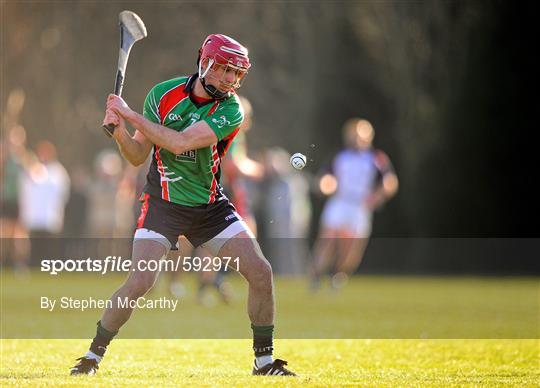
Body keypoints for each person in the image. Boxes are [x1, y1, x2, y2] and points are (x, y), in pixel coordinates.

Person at [70, 34, 296, 377]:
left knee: (261, 272)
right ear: (203, 62)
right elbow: (136, 157)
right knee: (141, 280)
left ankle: (263, 362)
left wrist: (128, 114)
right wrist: (118, 131)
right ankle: (92, 355)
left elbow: (178, 143)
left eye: (235, 73)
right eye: (221, 69)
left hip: (209, 206)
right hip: (163, 203)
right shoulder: (162, 95)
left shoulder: (231, 109)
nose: (227, 79)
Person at [310, 118, 398, 290]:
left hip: (360, 207)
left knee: (350, 249)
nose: (357, 139)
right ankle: (316, 276)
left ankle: (338, 276)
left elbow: (390, 182)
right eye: (353, 135)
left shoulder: (376, 158)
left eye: (360, 136)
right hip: (339, 202)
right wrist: (326, 185)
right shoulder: (339, 156)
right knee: (328, 238)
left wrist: (378, 196)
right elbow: (327, 178)